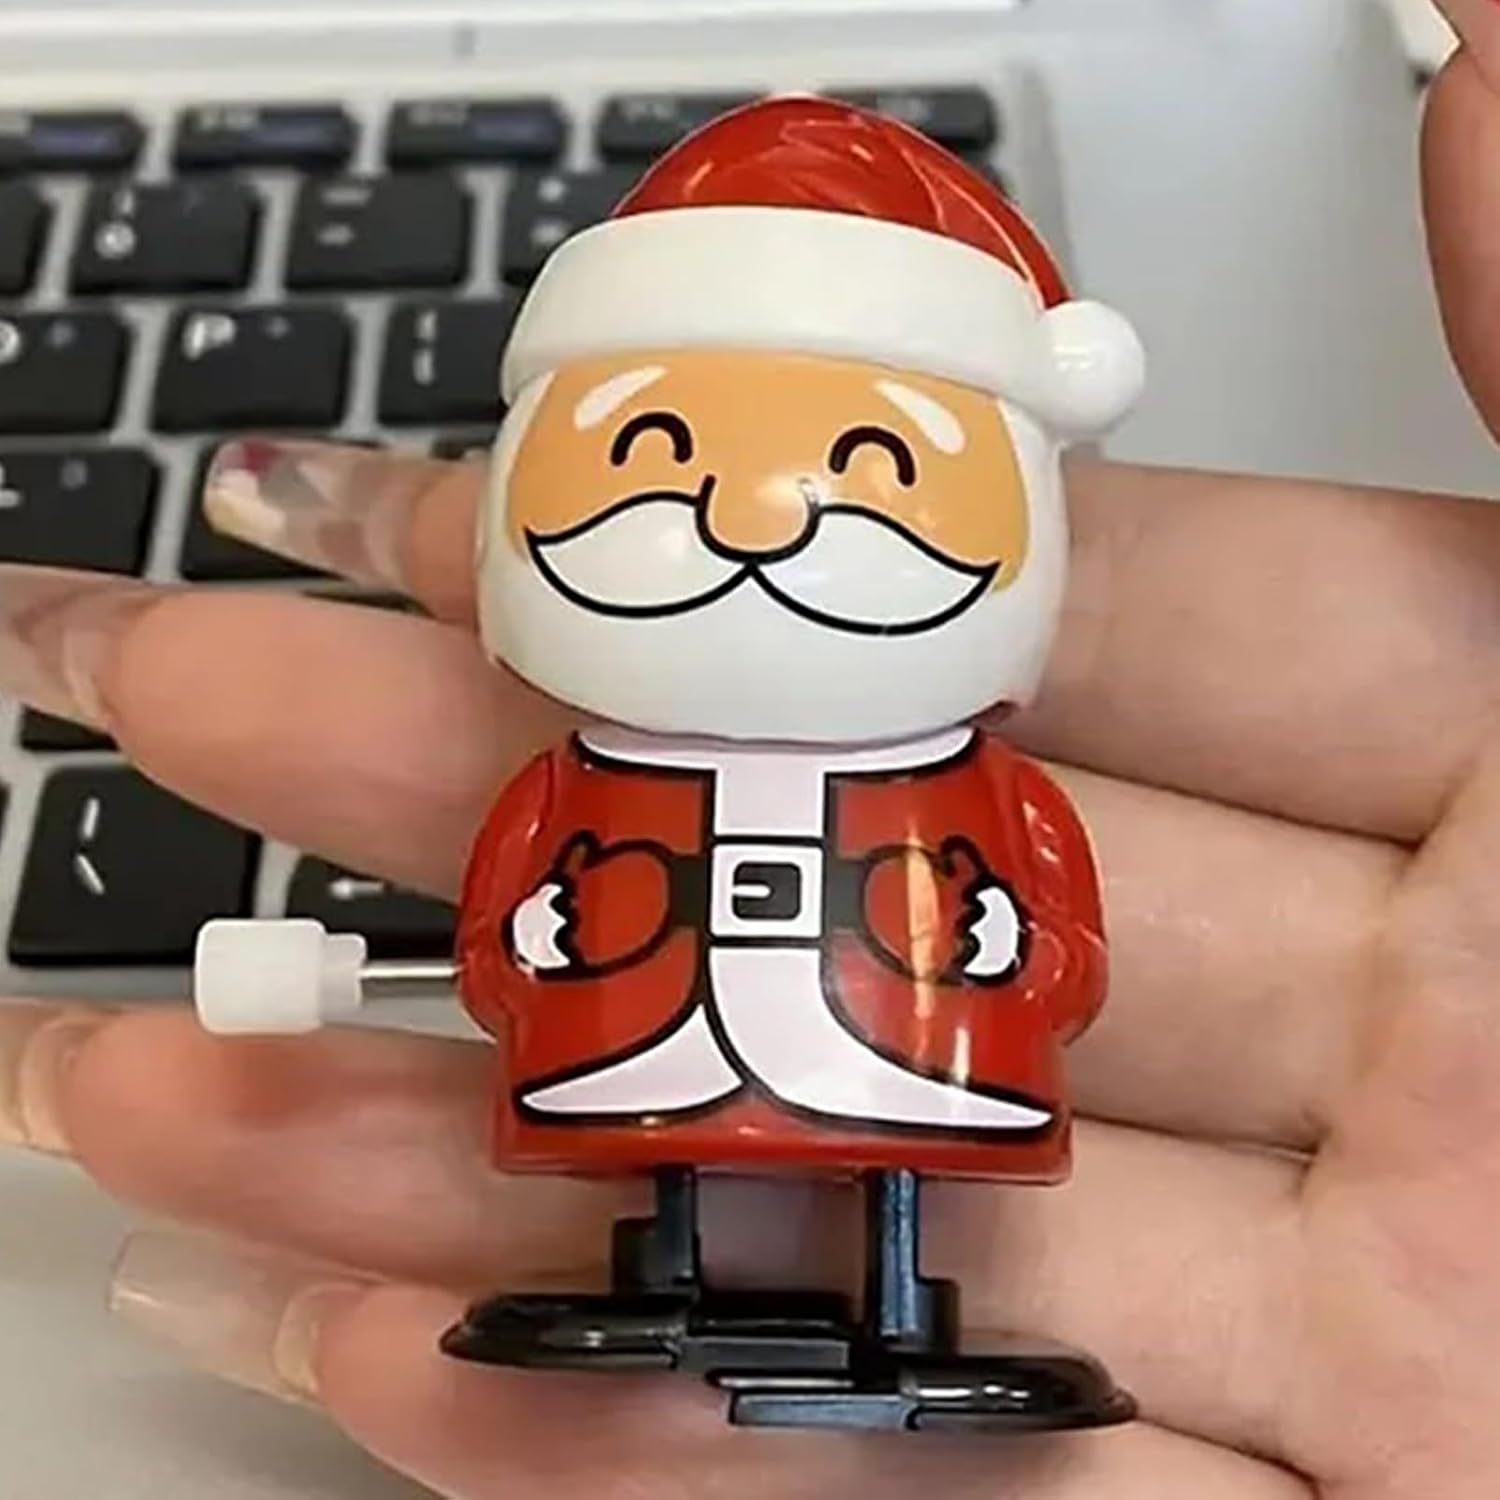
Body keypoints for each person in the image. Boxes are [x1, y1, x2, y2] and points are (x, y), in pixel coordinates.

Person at [2, 12, 1499, 1494]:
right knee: (658, 1142)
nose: (751, 515)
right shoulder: (578, 781)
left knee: (894, 1157)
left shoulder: (974, 790)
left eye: (873, 465)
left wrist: (1015, 949)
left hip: (902, 1050)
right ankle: (656, 1283)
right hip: (650, 1029)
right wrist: (526, 943)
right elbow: (506, 916)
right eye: (654, 454)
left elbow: (1063, 933)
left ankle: (904, 1315)